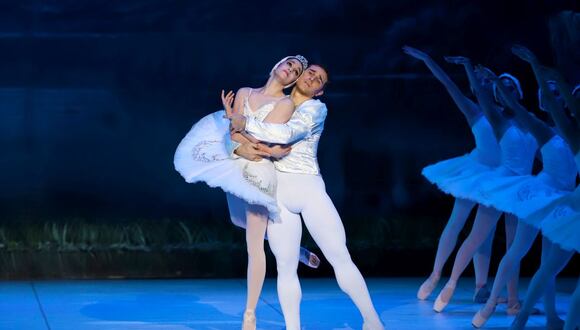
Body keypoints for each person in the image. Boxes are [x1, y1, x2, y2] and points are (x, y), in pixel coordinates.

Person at [229, 64, 385, 330]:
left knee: (339, 257)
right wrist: (239, 131)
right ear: (299, 76)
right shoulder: (277, 103)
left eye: (319, 79)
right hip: (277, 193)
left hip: (308, 189)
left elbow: (287, 133)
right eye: (310, 72)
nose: (312, 77)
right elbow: (249, 138)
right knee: (285, 267)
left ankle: (372, 320)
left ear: (320, 91)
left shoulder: (315, 109)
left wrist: (245, 123)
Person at [174, 55, 313, 329]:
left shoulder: (284, 103)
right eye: (288, 64)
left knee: (254, 244)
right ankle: (293, 247)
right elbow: (234, 133)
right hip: (235, 161)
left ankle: (250, 312)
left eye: (295, 71)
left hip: (259, 170)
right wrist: (234, 126)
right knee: (238, 221)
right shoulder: (244, 92)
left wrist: (258, 145)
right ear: (276, 65)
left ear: (293, 81)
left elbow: (262, 137)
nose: (290, 70)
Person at [471, 53, 576, 328]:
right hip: (542, 194)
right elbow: (515, 107)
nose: (555, 98)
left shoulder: (570, 133)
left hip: (562, 200)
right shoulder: (543, 129)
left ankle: (550, 315)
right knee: (519, 248)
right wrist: (497, 79)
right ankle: (492, 303)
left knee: (549, 261)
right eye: (549, 94)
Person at [432, 56, 537, 313]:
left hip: (521, 189)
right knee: (475, 237)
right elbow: (474, 92)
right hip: (497, 184)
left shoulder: (531, 121)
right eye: (502, 88)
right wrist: (470, 68)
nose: (506, 91)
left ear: (520, 92)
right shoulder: (495, 118)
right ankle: (450, 282)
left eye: (511, 87)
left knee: (514, 248)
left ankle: (512, 301)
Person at [402, 46, 500, 302]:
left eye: (491, 81)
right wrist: (427, 59)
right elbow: (447, 83)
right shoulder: (474, 110)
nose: (487, 85)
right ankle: (435, 275)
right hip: (476, 171)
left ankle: (481, 286)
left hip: (499, 176)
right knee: (457, 222)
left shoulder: (509, 116)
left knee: (485, 233)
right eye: (483, 82)